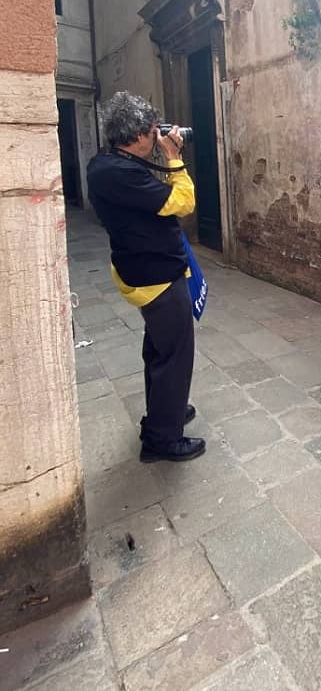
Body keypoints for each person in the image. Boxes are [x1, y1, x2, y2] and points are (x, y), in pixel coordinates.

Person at [87, 92, 205, 463]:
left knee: (157, 349)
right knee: (174, 356)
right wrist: (174, 157)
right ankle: (163, 440)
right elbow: (182, 203)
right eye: (152, 132)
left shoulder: (107, 163)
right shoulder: (120, 172)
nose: (156, 137)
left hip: (142, 269)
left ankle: (162, 415)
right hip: (156, 275)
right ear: (136, 135)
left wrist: (162, 154)